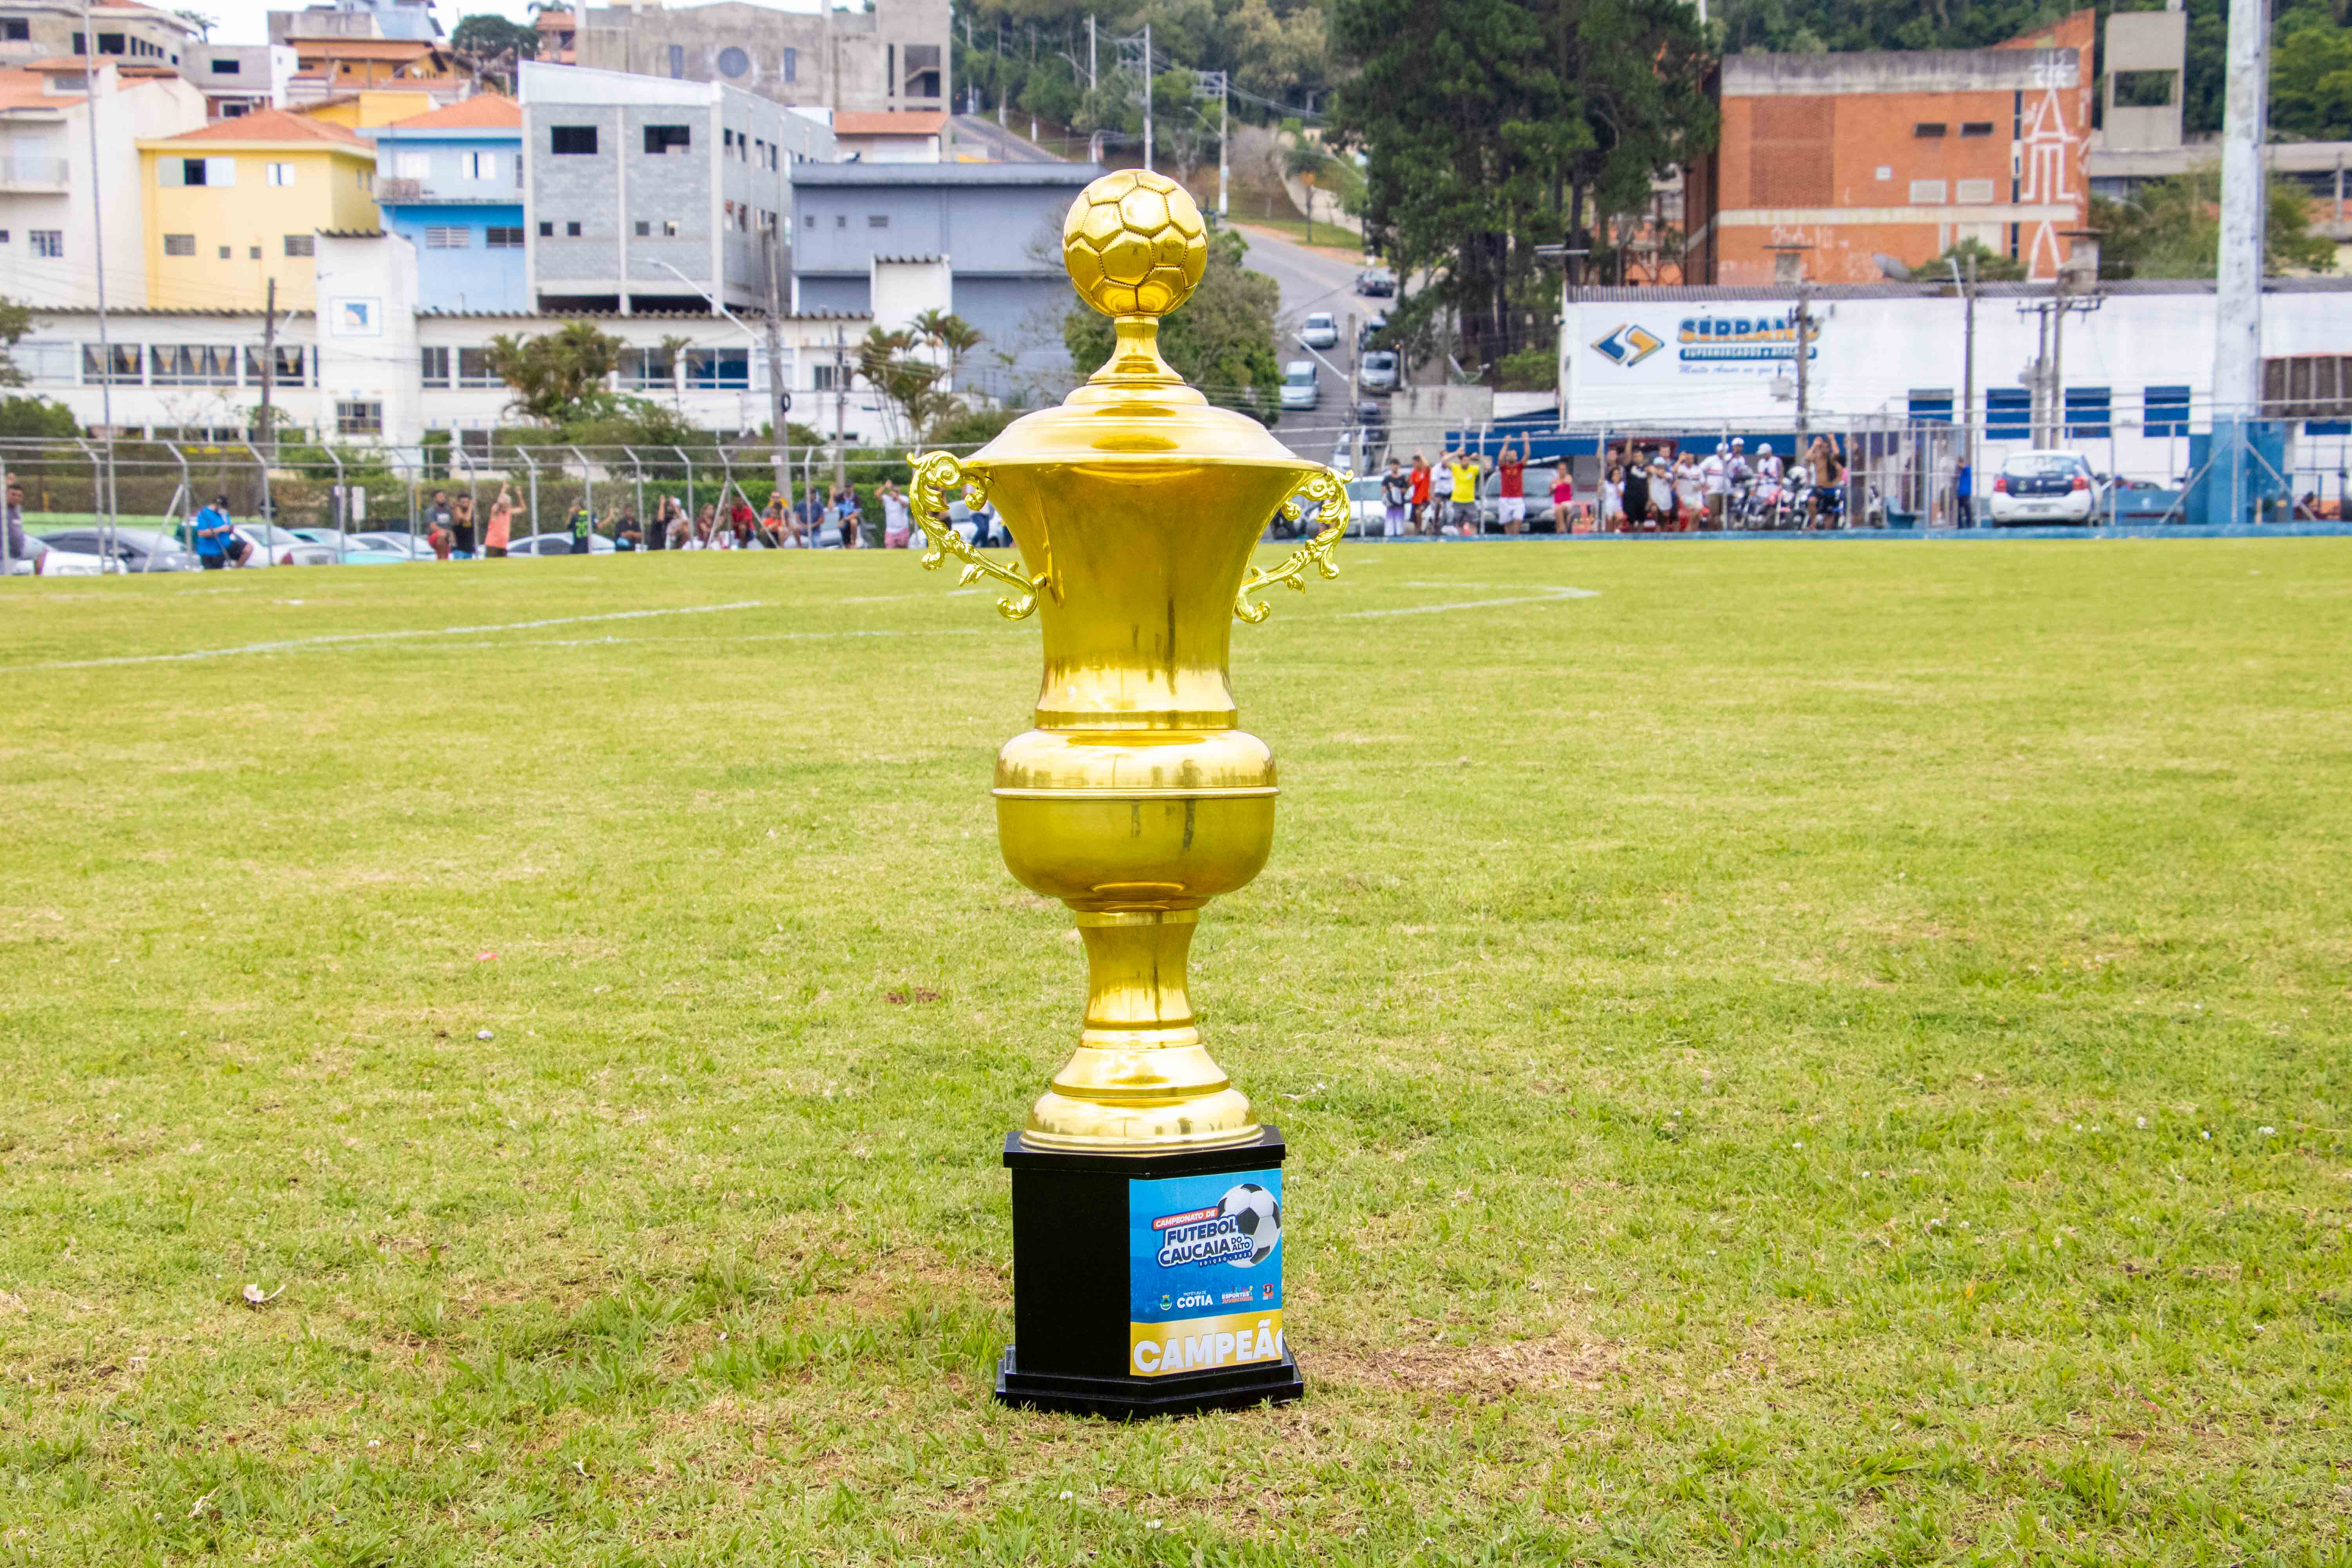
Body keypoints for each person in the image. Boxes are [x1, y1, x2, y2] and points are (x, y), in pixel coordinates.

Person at [192, 492, 236, 570]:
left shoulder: (224, 514)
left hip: (221, 550)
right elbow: (202, 533)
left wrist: (230, 529)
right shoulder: (204, 514)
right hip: (208, 552)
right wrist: (221, 529)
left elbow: (229, 526)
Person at [1445, 448, 1482, 536]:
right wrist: (1456, 453)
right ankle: (1461, 540)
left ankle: (1474, 540)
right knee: (1459, 523)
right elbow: (1444, 461)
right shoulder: (1455, 468)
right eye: (1464, 461)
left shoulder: (1473, 469)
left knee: (1473, 523)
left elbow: (1488, 467)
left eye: (1468, 461)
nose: (1466, 462)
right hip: (1457, 500)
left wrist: (1479, 459)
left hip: (1470, 501)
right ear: (1460, 461)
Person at [1493, 445, 1526, 535]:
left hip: (1518, 499)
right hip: (1505, 499)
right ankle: (1509, 540)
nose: (1512, 457)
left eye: (1514, 455)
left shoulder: (1519, 467)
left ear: (1517, 457)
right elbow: (1500, 459)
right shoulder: (1504, 468)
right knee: (1507, 524)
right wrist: (1506, 444)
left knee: (1518, 519)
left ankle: (1516, 537)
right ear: (1507, 457)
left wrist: (1526, 441)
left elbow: (1527, 455)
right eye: (1510, 455)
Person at [1700, 444, 1730, 531]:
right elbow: (1700, 470)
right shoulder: (1711, 460)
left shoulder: (1729, 460)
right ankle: (1713, 531)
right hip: (1713, 491)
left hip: (1726, 491)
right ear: (1718, 452)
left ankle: (1720, 530)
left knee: (1723, 514)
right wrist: (1704, 483)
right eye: (1721, 452)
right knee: (1714, 513)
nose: (1723, 453)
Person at [1621, 448, 1651, 530]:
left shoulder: (1647, 468)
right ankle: (1631, 539)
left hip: (1643, 498)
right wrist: (1630, 440)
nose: (1638, 458)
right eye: (1636, 457)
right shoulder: (1629, 467)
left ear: (1643, 457)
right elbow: (1627, 456)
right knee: (1631, 521)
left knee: (1642, 520)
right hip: (1630, 498)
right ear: (1633, 458)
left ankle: (1640, 540)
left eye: (1640, 456)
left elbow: (1649, 483)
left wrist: (1650, 499)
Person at [1379, 458, 1410, 539]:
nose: (1395, 467)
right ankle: (1390, 535)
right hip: (1391, 504)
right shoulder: (1387, 479)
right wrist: (1388, 494)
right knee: (1390, 519)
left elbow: (1405, 490)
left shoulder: (1403, 478)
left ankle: (1400, 534)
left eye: (1396, 465)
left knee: (1400, 519)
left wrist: (1396, 490)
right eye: (1393, 465)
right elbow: (1383, 490)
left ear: (1399, 466)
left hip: (1400, 503)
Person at [1674, 451, 1704, 532]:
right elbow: (1673, 470)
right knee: (1697, 511)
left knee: (1698, 514)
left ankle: (1694, 533)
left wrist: (1698, 487)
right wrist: (1680, 460)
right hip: (1685, 497)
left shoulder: (1698, 469)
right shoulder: (1681, 468)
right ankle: (1689, 529)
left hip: (1697, 496)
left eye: (1692, 458)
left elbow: (1703, 483)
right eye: (1688, 458)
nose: (1690, 460)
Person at [880, 479, 913, 548]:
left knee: (904, 550)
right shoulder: (887, 499)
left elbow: (905, 506)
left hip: (903, 529)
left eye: (897, 492)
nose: (895, 493)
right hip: (890, 531)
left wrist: (897, 498)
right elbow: (877, 494)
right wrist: (885, 486)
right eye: (894, 491)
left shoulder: (904, 499)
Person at [484, 485, 513, 558]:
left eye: (508, 504)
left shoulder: (508, 513)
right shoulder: (496, 512)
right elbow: (499, 502)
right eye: (505, 504)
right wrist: (504, 489)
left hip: (503, 545)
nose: (506, 506)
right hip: (493, 545)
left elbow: (522, 509)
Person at [1408, 452, 1433, 535]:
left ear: (1420, 462)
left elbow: (1428, 466)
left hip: (1425, 498)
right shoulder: (1414, 472)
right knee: (1415, 519)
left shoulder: (1426, 471)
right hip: (1416, 499)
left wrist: (1421, 455)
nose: (1414, 465)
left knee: (1419, 512)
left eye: (1415, 463)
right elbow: (1411, 484)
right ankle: (1417, 535)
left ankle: (1421, 531)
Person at [450, 494, 477, 559]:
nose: (465, 504)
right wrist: (471, 507)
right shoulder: (456, 512)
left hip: (469, 548)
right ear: (459, 503)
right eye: (463, 502)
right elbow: (466, 519)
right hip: (459, 549)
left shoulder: (471, 513)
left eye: (467, 502)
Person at [1953, 458, 1973, 528]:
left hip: (1966, 494)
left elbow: (1964, 467)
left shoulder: (1967, 469)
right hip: (1960, 494)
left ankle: (1969, 525)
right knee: (1959, 511)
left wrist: (1960, 465)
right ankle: (1960, 526)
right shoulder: (1961, 472)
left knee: (1967, 510)